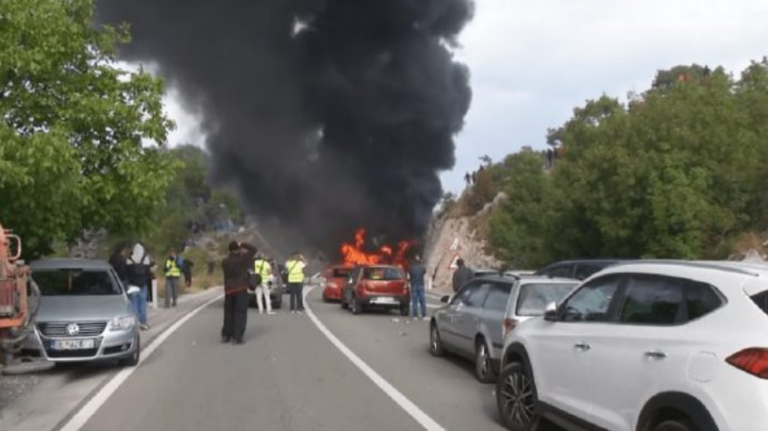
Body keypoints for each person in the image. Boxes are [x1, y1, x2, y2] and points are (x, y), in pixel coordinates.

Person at [221, 241, 257, 344]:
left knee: (228, 313)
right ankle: (237, 337)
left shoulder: (225, 262)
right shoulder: (243, 259)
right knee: (240, 313)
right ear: (238, 249)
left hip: (228, 290)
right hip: (240, 288)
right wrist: (243, 244)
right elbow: (254, 249)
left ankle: (226, 335)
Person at [126, 243, 153, 331]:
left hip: (132, 285)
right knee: (142, 305)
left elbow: (127, 273)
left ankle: (134, 324)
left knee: (134, 305)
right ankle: (143, 323)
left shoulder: (129, 259)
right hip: (143, 285)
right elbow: (149, 272)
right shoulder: (146, 259)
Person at [408, 254, 428, 320]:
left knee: (414, 301)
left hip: (413, 285)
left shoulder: (411, 267)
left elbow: (410, 274)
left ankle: (415, 315)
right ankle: (424, 315)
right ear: (420, 260)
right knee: (422, 301)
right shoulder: (422, 267)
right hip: (421, 285)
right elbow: (424, 272)